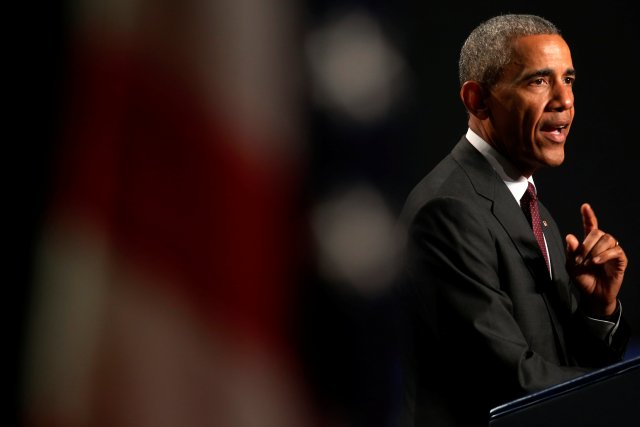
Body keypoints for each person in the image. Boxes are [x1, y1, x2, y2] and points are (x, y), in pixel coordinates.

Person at [397, 13, 630, 426]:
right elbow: (515, 383)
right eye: (538, 81)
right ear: (477, 100)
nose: (564, 100)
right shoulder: (448, 211)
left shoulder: (535, 212)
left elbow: (562, 362)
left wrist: (598, 307)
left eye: (569, 80)